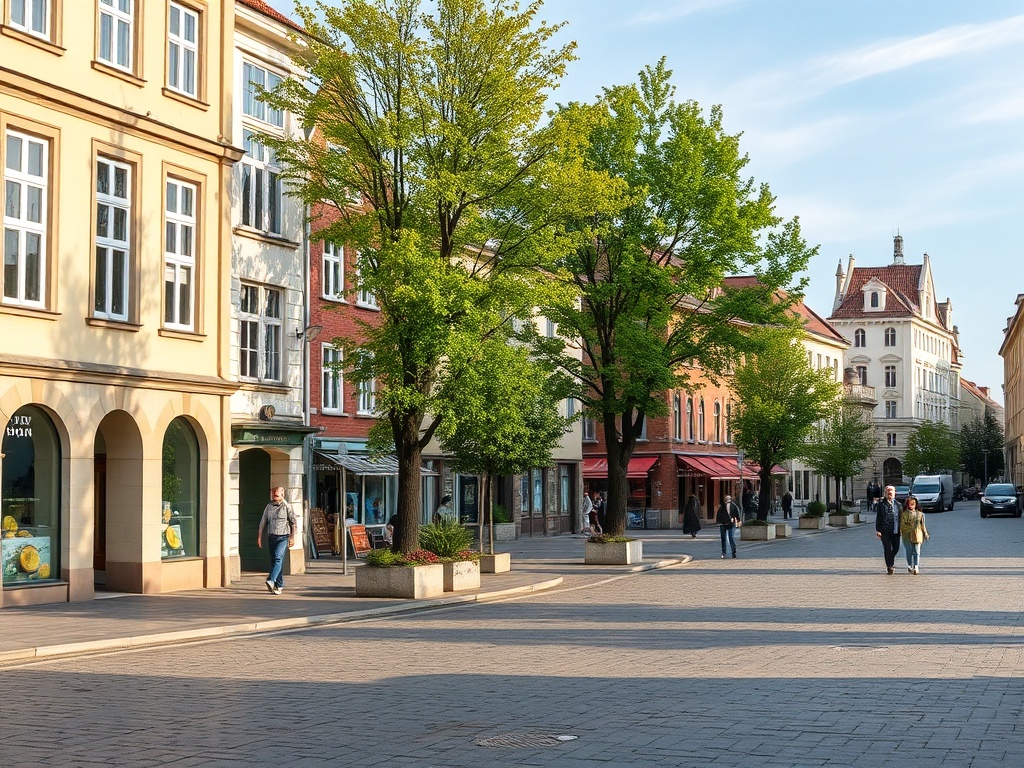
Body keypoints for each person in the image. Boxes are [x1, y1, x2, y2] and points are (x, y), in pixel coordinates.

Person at [256, 486, 296, 595]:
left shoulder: (287, 506)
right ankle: (279, 585)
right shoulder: (269, 506)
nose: (274, 497)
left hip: (283, 537)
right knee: (275, 561)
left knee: (278, 558)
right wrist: (259, 537)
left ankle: (271, 579)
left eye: (276, 495)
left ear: (282, 496)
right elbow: (263, 522)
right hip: (271, 536)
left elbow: (293, 522)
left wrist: (292, 537)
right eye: (273, 495)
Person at [874, 484, 903, 574]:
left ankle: (890, 559)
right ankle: (890, 566)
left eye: (891, 491)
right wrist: (878, 530)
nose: (890, 492)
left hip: (895, 530)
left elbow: (901, 517)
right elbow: (878, 518)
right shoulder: (881, 505)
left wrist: (902, 529)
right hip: (885, 530)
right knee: (887, 548)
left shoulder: (899, 505)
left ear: (895, 493)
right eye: (888, 491)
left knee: (896, 548)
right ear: (885, 493)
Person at [899, 495, 930, 574]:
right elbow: (902, 524)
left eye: (914, 504)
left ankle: (916, 566)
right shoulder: (904, 514)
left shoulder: (920, 514)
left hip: (917, 534)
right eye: (910, 503)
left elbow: (923, 525)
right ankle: (909, 565)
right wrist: (902, 531)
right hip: (906, 534)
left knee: (917, 550)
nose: (912, 505)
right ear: (907, 504)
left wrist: (925, 533)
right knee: (909, 550)